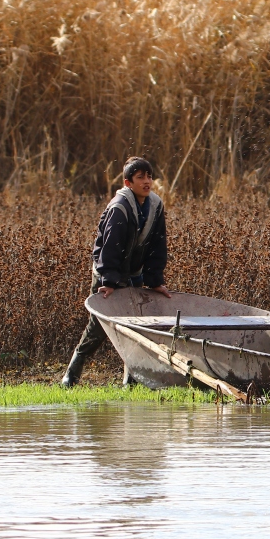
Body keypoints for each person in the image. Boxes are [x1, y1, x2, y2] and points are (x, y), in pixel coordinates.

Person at [60, 157, 171, 386]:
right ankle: (72, 374)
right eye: (140, 177)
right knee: (99, 326)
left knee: (135, 325)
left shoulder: (156, 206)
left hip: (135, 273)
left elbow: (158, 245)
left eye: (149, 176)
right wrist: (109, 280)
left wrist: (154, 279)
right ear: (128, 182)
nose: (147, 181)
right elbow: (109, 247)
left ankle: (130, 380)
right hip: (107, 272)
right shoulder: (120, 208)